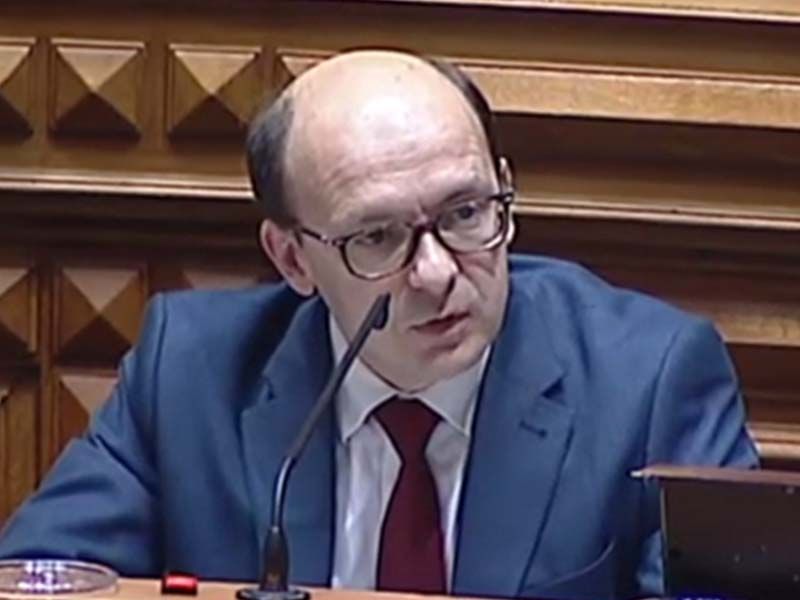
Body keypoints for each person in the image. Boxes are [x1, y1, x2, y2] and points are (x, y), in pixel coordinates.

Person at [0, 50, 757, 600]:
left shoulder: (650, 379)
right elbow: (40, 579)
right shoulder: (190, 371)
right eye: (377, 237)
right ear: (292, 258)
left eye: (466, 213)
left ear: (504, 191)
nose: (436, 273)